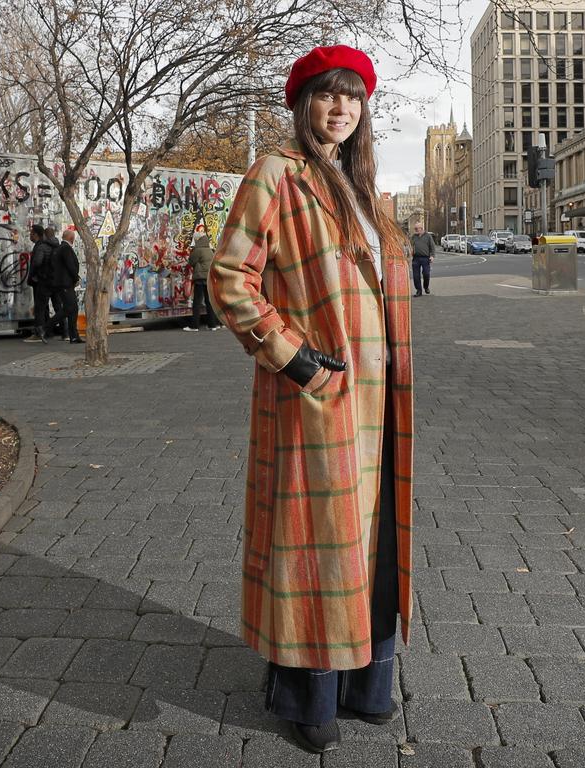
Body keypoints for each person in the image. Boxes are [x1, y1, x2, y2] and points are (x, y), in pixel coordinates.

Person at [208, 45, 414, 755]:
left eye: (353, 98)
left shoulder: (366, 190)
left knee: (376, 545)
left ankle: (368, 683)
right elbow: (231, 276)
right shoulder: (278, 174)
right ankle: (306, 694)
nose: (341, 109)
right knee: (317, 548)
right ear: (302, 104)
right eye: (328, 95)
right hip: (316, 396)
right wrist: (293, 358)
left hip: (382, 404)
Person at [50, 229, 83, 343]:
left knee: (73, 309)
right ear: (71, 238)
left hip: (65, 283)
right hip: (65, 284)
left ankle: (74, 335)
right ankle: (45, 327)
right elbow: (70, 266)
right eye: (73, 237)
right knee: (69, 309)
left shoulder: (61, 248)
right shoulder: (65, 248)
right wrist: (76, 278)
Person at [184, 233, 221, 331]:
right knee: (209, 302)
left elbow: (191, 262)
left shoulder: (198, 250)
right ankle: (212, 325)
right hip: (208, 278)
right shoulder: (209, 249)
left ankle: (194, 326)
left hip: (200, 278)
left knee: (197, 302)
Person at [25, 224, 54, 342]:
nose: (30, 236)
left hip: (40, 280)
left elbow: (37, 262)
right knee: (44, 306)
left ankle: (39, 332)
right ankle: (47, 331)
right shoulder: (48, 246)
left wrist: (33, 275)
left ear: (36, 235)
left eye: (31, 233)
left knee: (40, 307)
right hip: (47, 280)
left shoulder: (40, 247)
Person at [410, 220, 435, 296]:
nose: (416, 230)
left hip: (425, 258)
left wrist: (432, 256)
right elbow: (409, 246)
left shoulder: (428, 236)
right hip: (416, 258)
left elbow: (432, 247)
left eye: (417, 229)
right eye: (415, 229)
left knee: (426, 274)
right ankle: (418, 290)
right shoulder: (414, 237)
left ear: (421, 228)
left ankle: (426, 287)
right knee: (416, 275)